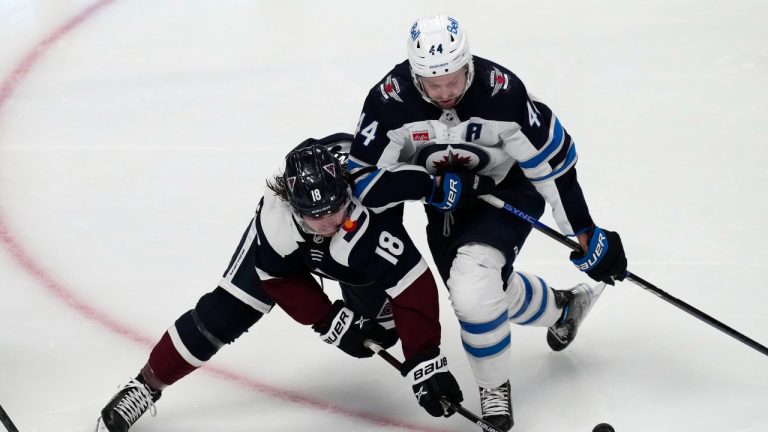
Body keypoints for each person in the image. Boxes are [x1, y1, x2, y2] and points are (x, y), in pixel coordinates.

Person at [347, 14, 628, 431]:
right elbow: (364, 181)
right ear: (414, 72)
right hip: (445, 205)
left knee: (473, 289)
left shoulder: (502, 93)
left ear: (469, 64)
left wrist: (583, 231)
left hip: (507, 191)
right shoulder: (390, 101)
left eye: (454, 81)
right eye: (433, 83)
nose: (445, 93)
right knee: (479, 295)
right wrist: (428, 186)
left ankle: (494, 395)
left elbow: (551, 160)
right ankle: (563, 308)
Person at [95, 133, 464, 432]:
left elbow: (412, 284)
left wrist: (424, 359)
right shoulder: (276, 221)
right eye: (315, 215)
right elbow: (279, 279)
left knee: (381, 331)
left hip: (359, 252)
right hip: (293, 255)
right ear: (292, 205)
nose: (328, 223)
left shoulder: (371, 203)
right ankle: (144, 386)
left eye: (335, 208)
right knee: (226, 312)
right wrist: (326, 319)